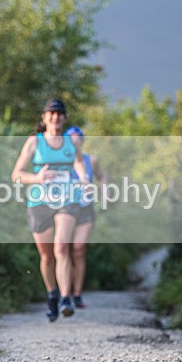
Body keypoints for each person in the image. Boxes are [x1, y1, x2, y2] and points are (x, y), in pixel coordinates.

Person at [10, 99, 87, 322]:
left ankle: (65, 298)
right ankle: (52, 294)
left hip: (67, 198)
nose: (55, 117)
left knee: (61, 248)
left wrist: (83, 178)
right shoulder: (35, 142)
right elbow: (16, 174)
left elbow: (79, 163)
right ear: (44, 118)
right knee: (46, 255)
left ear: (64, 118)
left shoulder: (71, 142)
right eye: (51, 113)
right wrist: (36, 178)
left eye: (59, 113)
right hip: (39, 202)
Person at [65, 126, 106, 309]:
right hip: (64, 209)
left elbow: (102, 176)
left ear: (82, 141)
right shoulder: (60, 160)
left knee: (79, 249)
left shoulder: (92, 160)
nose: (75, 143)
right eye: (70, 140)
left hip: (85, 208)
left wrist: (104, 194)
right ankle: (64, 293)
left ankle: (77, 294)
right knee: (62, 250)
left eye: (77, 139)